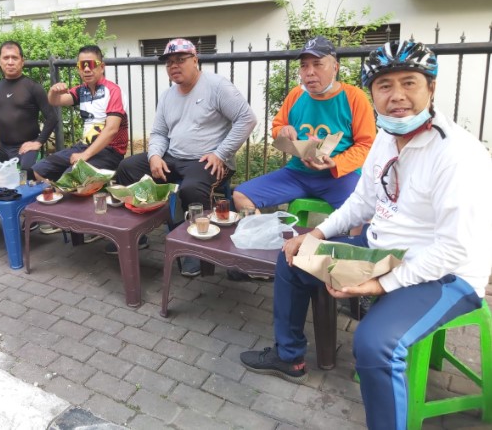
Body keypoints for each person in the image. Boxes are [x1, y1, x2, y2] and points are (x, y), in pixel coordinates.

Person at [239, 40, 492, 430]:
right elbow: (361, 202)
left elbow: (454, 249)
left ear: (431, 88)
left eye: (409, 83)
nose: (398, 97)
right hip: (380, 250)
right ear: (373, 93)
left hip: (447, 274)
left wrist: (381, 283)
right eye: (385, 86)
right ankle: (290, 358)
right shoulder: (387, 140)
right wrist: (316, 233)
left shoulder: (459, 154)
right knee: (292, 259)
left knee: (375, 345)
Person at [228, 36, 376, 281]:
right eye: (305, 66)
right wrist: (283, 130)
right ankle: (263, 254)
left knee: (365, 214)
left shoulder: (354, 97)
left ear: (335, 67)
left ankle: (355, 276)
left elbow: (366, 143)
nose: (310, 72)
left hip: (338, 176)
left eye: (318, 65)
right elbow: (278, 126)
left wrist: (337, 163)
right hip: (297, 173)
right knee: (241, 195)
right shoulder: (296, 94)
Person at [110, 38, 257, 276]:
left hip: (207, 160)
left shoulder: (217, 86)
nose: (174, 66)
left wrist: (221, 154)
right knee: (128, 168)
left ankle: (198, 251)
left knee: (191, 190)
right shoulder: (168, 95)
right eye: (169, 63)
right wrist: (155, 156)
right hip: (173, 157)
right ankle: (142, 230)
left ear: (195, 60)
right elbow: (158, 132)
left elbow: (246, 119)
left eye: (180, 60)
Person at [31, 45, 129, 239]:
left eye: (91, 64)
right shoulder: (81, 91)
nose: (86, 69)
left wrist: (84, 156)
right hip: (84, 147)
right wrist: (53, 91)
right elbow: (55, 101)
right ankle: (66, 213)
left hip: (110, 151)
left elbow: (111, 130)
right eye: (82, 65)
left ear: (102, 67)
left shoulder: (113, 91)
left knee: (69, 178)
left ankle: (81, 224)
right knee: (38, 170)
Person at [0, 41, 59, 226]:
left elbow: (52, 118)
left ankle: (29, 213)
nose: (10, 62)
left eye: (15, 58)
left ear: (22, 61)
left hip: (25, 147)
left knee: (27, 169)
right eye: (6, 58)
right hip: (3, 147)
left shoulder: (32, 87)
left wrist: (38, 142)